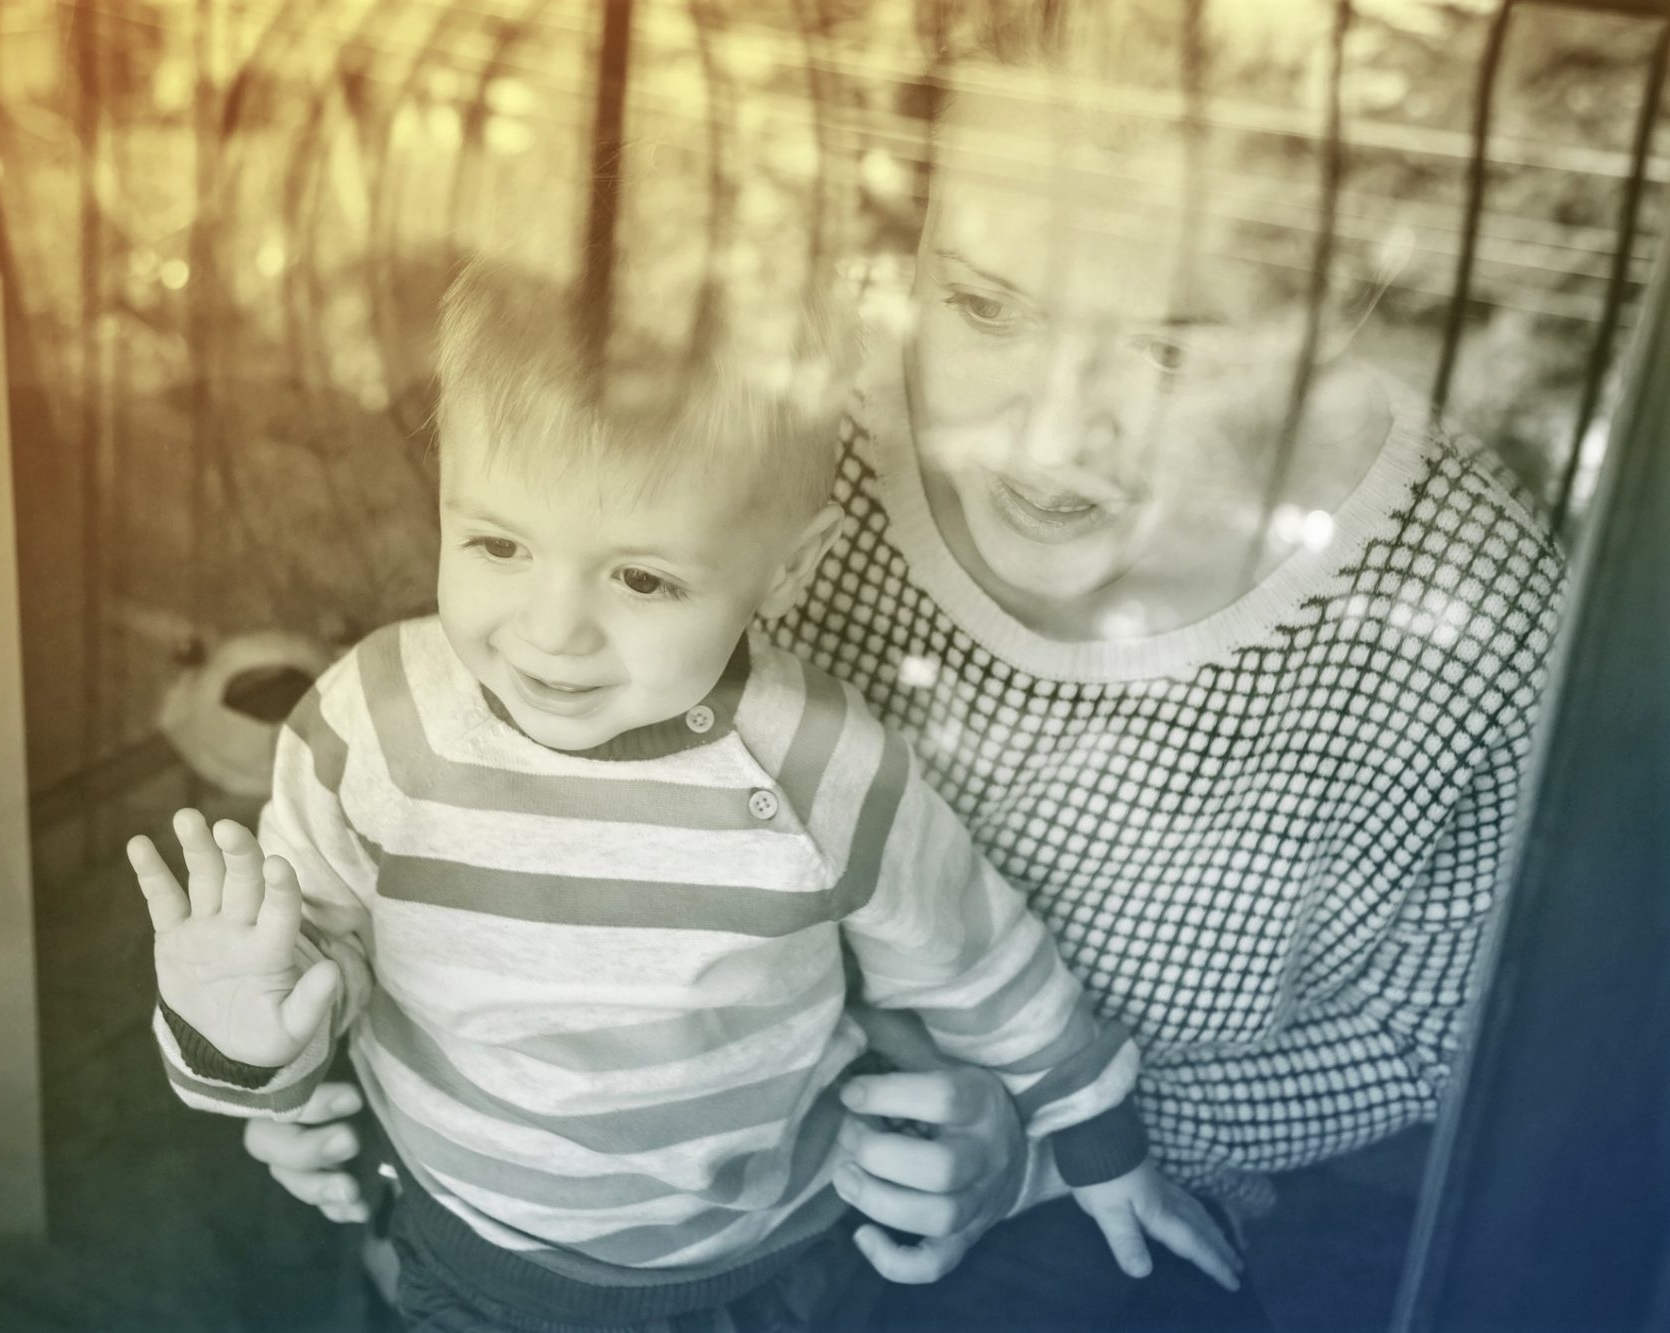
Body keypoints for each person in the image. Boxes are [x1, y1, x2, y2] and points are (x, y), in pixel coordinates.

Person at [240, 4, 1566, 1329]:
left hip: (1102, 1202)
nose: (1047, 438)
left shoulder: (1464, 618)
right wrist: (330, 1050)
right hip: (597, 1199)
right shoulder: (773, 407)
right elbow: (485, 732)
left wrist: (1048, 1150)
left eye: (1169, 348)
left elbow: (1439, 1033)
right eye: (984, 305)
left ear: (1345, 306)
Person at [129, 260, 1241, 1332]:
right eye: (496, 542)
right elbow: (310, 982)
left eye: (642, 577)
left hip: (781, 1257)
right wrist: (230, 1020)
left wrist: (1102, 1152)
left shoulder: (816, 760)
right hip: (482, 1264)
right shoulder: (366, 723)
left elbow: (974, 955)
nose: (551, 626)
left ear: (787, 572)